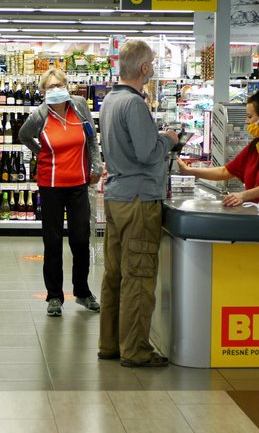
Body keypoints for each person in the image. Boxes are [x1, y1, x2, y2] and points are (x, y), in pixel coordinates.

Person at [98, 40, 178, 368]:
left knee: (114, 274)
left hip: (117, 196)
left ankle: (110, 344)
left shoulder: (109, 100)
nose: (154, 68)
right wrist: (168, 140)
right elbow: (148, 153)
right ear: (144, 68)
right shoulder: (134, 104)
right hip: (139, 200)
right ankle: (135, 349)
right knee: (139, 276)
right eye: (153, 63)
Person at [19, 68, 102, 317]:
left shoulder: (78, 107)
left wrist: (96, 165)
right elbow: (24, 135)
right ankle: (54, 296)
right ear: (44, 92)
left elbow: (91, 139)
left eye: (58, 85)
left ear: (67, 85)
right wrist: (41, 151)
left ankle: (83, 292)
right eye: (50, 87)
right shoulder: (40, 115)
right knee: (52, 242)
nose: (55, 90)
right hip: (51, 185)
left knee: (80, 238)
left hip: (78, 183)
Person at [175, 91, 259, 206]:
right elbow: (225, 171)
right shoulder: (256, 146)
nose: (246, 121)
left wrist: (243, 195)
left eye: (249, 116)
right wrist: (189, 170)